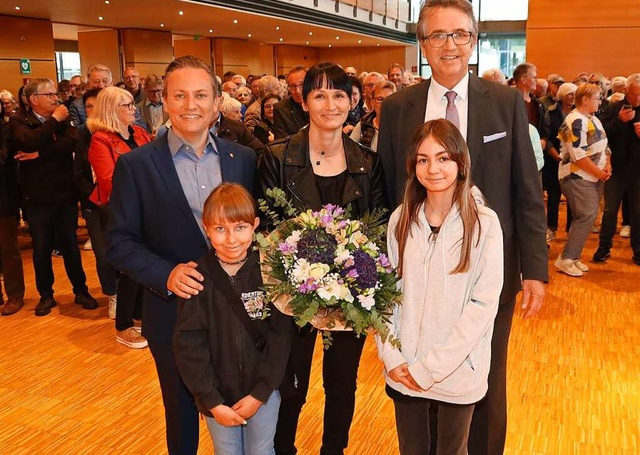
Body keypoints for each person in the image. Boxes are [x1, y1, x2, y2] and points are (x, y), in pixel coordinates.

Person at [377, 0, 547, 455]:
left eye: (459, 34)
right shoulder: (396, 110)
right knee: (418, 370)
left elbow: (527, 192)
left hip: (488, 273)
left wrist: (533, 269)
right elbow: (386, 191)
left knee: (484, 378)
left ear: (472, 41)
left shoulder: (507, 102)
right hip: (416, 273)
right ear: (422, 43)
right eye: (437, 35)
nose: (448, 44)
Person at [107, 55, 257, 454]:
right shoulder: (136, 165)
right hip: (173, 312)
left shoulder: (241, 159)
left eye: (200, 95)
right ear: (165, 102)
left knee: (245, 404)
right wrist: (165, 274)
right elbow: (118, 242)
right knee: (181, 410)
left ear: (216, 101)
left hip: (239, 311)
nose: (191, 105)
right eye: (180, 95)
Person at [258, 62, 387, 455]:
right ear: (304, 100)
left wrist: (349, 274)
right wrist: (302, 276)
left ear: (353, 101)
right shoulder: (276, 157)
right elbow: (268, 228)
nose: (329, 104)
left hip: (350, 295)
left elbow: (377, 231)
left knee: (342, 384)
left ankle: (334, 450)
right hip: (291, 295)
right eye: (319, 94)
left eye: (339, 95)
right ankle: (283, 449)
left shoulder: (369, 163)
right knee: (290, 383)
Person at [378, 119, 502, 454]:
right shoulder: (401, 220)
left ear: (461, 163)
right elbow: (385, 296)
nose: (433, 168)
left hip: (456, 370)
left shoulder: (484, 224)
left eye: (443, 158)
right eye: (423, 159)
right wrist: (391, 355)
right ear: (413, 165)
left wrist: (431, 368)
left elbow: (483, 305)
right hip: (403, 369)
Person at [174, 183, 291, 455]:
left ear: (255, 226)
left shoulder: (270, 272)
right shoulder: (196, 278)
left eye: (240, 227)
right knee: (226, 452)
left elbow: (280, 337)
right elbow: (189, 344)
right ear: (206, 228)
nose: (231, 239)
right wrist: (211, 400)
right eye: (220, 229)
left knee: (261, 450)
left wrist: (260, 393)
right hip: (216, 395)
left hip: (263, 390)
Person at [10, 78, 97, 316]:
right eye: (49, 94)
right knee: (41, 248)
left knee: (70, 245)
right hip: (36, 197)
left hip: (64, 193)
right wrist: (53, 122)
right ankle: (46, 295)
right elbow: (28, 141)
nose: (55, 98)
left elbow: (71, 141)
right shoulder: (20, 120)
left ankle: (81, 290)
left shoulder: (63, 117)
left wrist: (39, 153)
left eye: (55, 94)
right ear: (33, 100)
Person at [88, 86, 152, 346]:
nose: (134, 108)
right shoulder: (100, 140)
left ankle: (139, 315)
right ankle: (123, 325)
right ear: (112, 109)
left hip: (147, 207)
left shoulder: (140, 133)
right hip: (120, 210)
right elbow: (109, 181)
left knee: (146, 262)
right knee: (130, 266)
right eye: (127, 105)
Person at [555, 83, 611, 276]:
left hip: (593, 175)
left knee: (586, 216)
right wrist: (599, 172)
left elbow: (604, 145)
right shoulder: (574, 121)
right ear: (585, 100)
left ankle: (573, 256)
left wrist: (607, 165)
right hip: (576, 176)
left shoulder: (592, 118)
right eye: (597, 98)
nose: (600, 101)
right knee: (586, 215)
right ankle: (566, 258)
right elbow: (578, 155)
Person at [73, 88, 119, 317]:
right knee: (103, 254)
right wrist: (95, 194)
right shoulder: (81, 135)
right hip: (94, 204)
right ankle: (112, 294)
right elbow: (78, 174)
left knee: (126, 250)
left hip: (120, 204)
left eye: (97, 106)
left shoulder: (120, 133)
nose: (92, 111)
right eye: (88, 107)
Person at [593, 73, 640, 265]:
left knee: (638, 211)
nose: (637, 99)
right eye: (634, 94)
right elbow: (599, 134)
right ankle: (604, 246)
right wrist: (619, 121)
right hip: (616, 169)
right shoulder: (614, 108)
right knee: (610, 210)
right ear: (626, 91)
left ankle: (638, 249)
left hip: (638, 171)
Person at [542, 82, 577, 241]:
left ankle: (571, 229)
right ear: (563, 95)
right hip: (553, 160)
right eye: (570, 94)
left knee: (572, 197)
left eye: (575, 94)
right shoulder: (551, 112)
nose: (573, 97)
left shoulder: (578, 113)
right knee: (554, 196)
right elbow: (547, 137)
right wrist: (556, 156)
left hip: (574, 162)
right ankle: (551, 228)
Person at [0, 101, 25, 315]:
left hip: (3, 198)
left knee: (8, 249)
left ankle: (15, 295)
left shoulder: (6, 129)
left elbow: (4, 159)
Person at [350, 81, 397, 151]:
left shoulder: (401, 127)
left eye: (389, 99)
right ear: (372, 102)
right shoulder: (363, 124)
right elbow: (350, 150)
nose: (384, 104)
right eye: (380, 99)